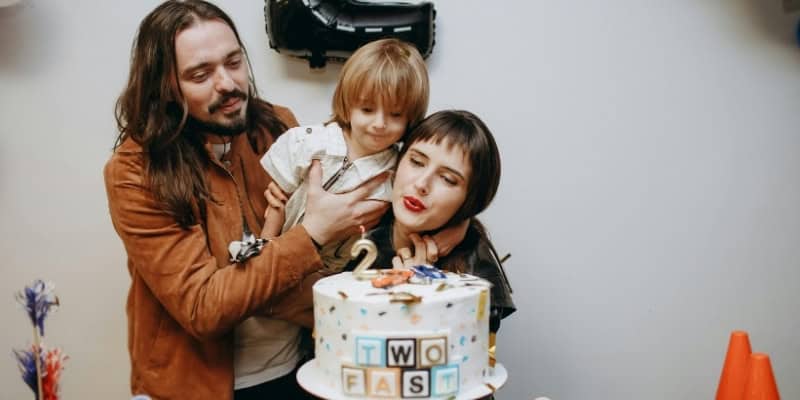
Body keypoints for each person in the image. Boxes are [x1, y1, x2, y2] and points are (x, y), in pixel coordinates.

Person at [103, 1, 388, 399]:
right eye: (200, 74)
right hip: (199, 388)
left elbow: (379, 165)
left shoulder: (279, 127)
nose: (227, 83)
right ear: (165, 85)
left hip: (301, 370)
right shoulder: (135, 172)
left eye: (233, 62)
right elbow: (203, 307)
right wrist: (311, 235)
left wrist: (455, 225)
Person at [259, 37, 429, 272]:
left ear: (411, 117)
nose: (380, 123)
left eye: (396, 114)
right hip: (280, 257)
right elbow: (276, 202)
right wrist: (263, 251)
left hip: (339, 275)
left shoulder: (401, 169)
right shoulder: (308, 143)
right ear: (348, 105)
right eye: (367, 109)